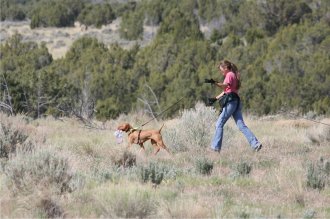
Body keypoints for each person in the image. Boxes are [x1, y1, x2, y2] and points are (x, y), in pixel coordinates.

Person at [207, 60, 262, 153]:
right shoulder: (233, 75)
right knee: (241, 125)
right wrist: (215, 99)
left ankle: (215, 148)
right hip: (236, 102)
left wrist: (215, 83)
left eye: (221, 70)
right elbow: (227, 91)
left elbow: (224, 86)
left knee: (219, 124)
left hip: (231, 103)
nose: (221, 72)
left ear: (225, 68)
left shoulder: (229, 75)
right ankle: (255, 144)